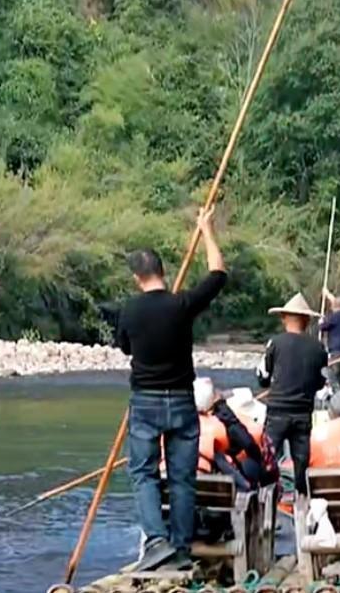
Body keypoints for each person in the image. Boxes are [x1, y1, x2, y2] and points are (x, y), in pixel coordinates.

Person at [116, 206, 227, 573]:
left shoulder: (129, 311)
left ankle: (157, 542)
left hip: (145, 402)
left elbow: (126, 348)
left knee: (144, 474)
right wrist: (206, 229)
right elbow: (218, 274)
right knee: (182, 478)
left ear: (137, 277)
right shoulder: (182, 305)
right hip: (181, 401)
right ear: (162, 272)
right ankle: (179, 548)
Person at [256, 293, 327, 497]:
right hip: (303, 414)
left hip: (277, 412)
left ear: (284, 318)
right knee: (301, 464)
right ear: (307, 320)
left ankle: (267, 499)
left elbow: (263, 377)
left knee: (267, 460)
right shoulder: (318, 348)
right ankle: (300, 500)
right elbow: (320, 383)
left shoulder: (275, 343)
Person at [319, 289, 340, 389]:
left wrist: (321, 321)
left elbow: (322, 327)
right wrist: (328, 294)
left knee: (333, 379)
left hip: (336, 353)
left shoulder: (335, 317)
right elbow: (337, 303)